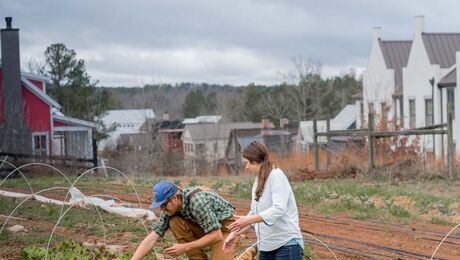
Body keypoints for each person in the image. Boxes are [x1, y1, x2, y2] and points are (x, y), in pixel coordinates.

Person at [131, 181, 256, 260]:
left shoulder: (196, 201)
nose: (162, 209)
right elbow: (152, 237)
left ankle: (250, 252)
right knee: (175, 222)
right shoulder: (171, 209)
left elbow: (216, 235)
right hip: (206, 228)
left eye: (163, 205)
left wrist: (184, 247)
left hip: (226, 229)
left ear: (174, 198)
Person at [223, 141, 304, 259]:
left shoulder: (276, 175)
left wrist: (248, 219)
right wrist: (234, 234)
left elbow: (279, 208)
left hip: (286, 245)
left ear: (255, 161)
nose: (246, 167)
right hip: (266, 247)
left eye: (247, 163)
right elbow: (255, 214)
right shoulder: (258, 180)